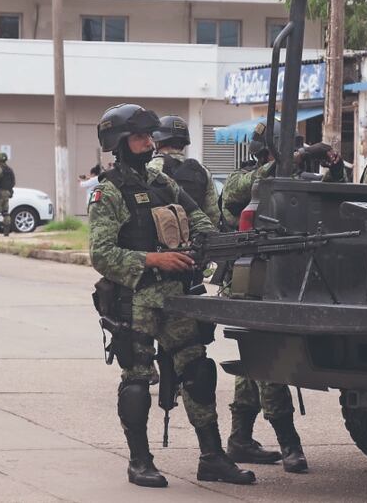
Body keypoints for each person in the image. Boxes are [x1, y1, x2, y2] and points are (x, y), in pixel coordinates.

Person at [89, 103, 255, 488]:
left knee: (198, 371)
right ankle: (140, 461)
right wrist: (154, 259)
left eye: (150, 136)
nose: (149, 143)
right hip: (136, 300)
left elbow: (200, 220)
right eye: (139, 137)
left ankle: (212, 458)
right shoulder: (108, 191)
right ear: (119, 143)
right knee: (137, 381)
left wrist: (209, 245)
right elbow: (101, 253)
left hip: (176, 298)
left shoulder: (163, 183)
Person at [216, 121, 345, 474]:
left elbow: (333, 200)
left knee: (255, 363)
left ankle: (240, 438)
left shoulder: (297, 182)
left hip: (292, 282)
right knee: (270, 362)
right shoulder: (243, 179)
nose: (293, 158)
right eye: (285, 151)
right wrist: (297, 157)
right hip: (254, 282)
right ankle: (290, 443)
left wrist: (334, 169)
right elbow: (245, 190)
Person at [147, 115, 221, 226]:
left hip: (162, 234)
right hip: (197, 234)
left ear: (158, 141)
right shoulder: (202, 170)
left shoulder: (150, 168)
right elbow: (213, 214)